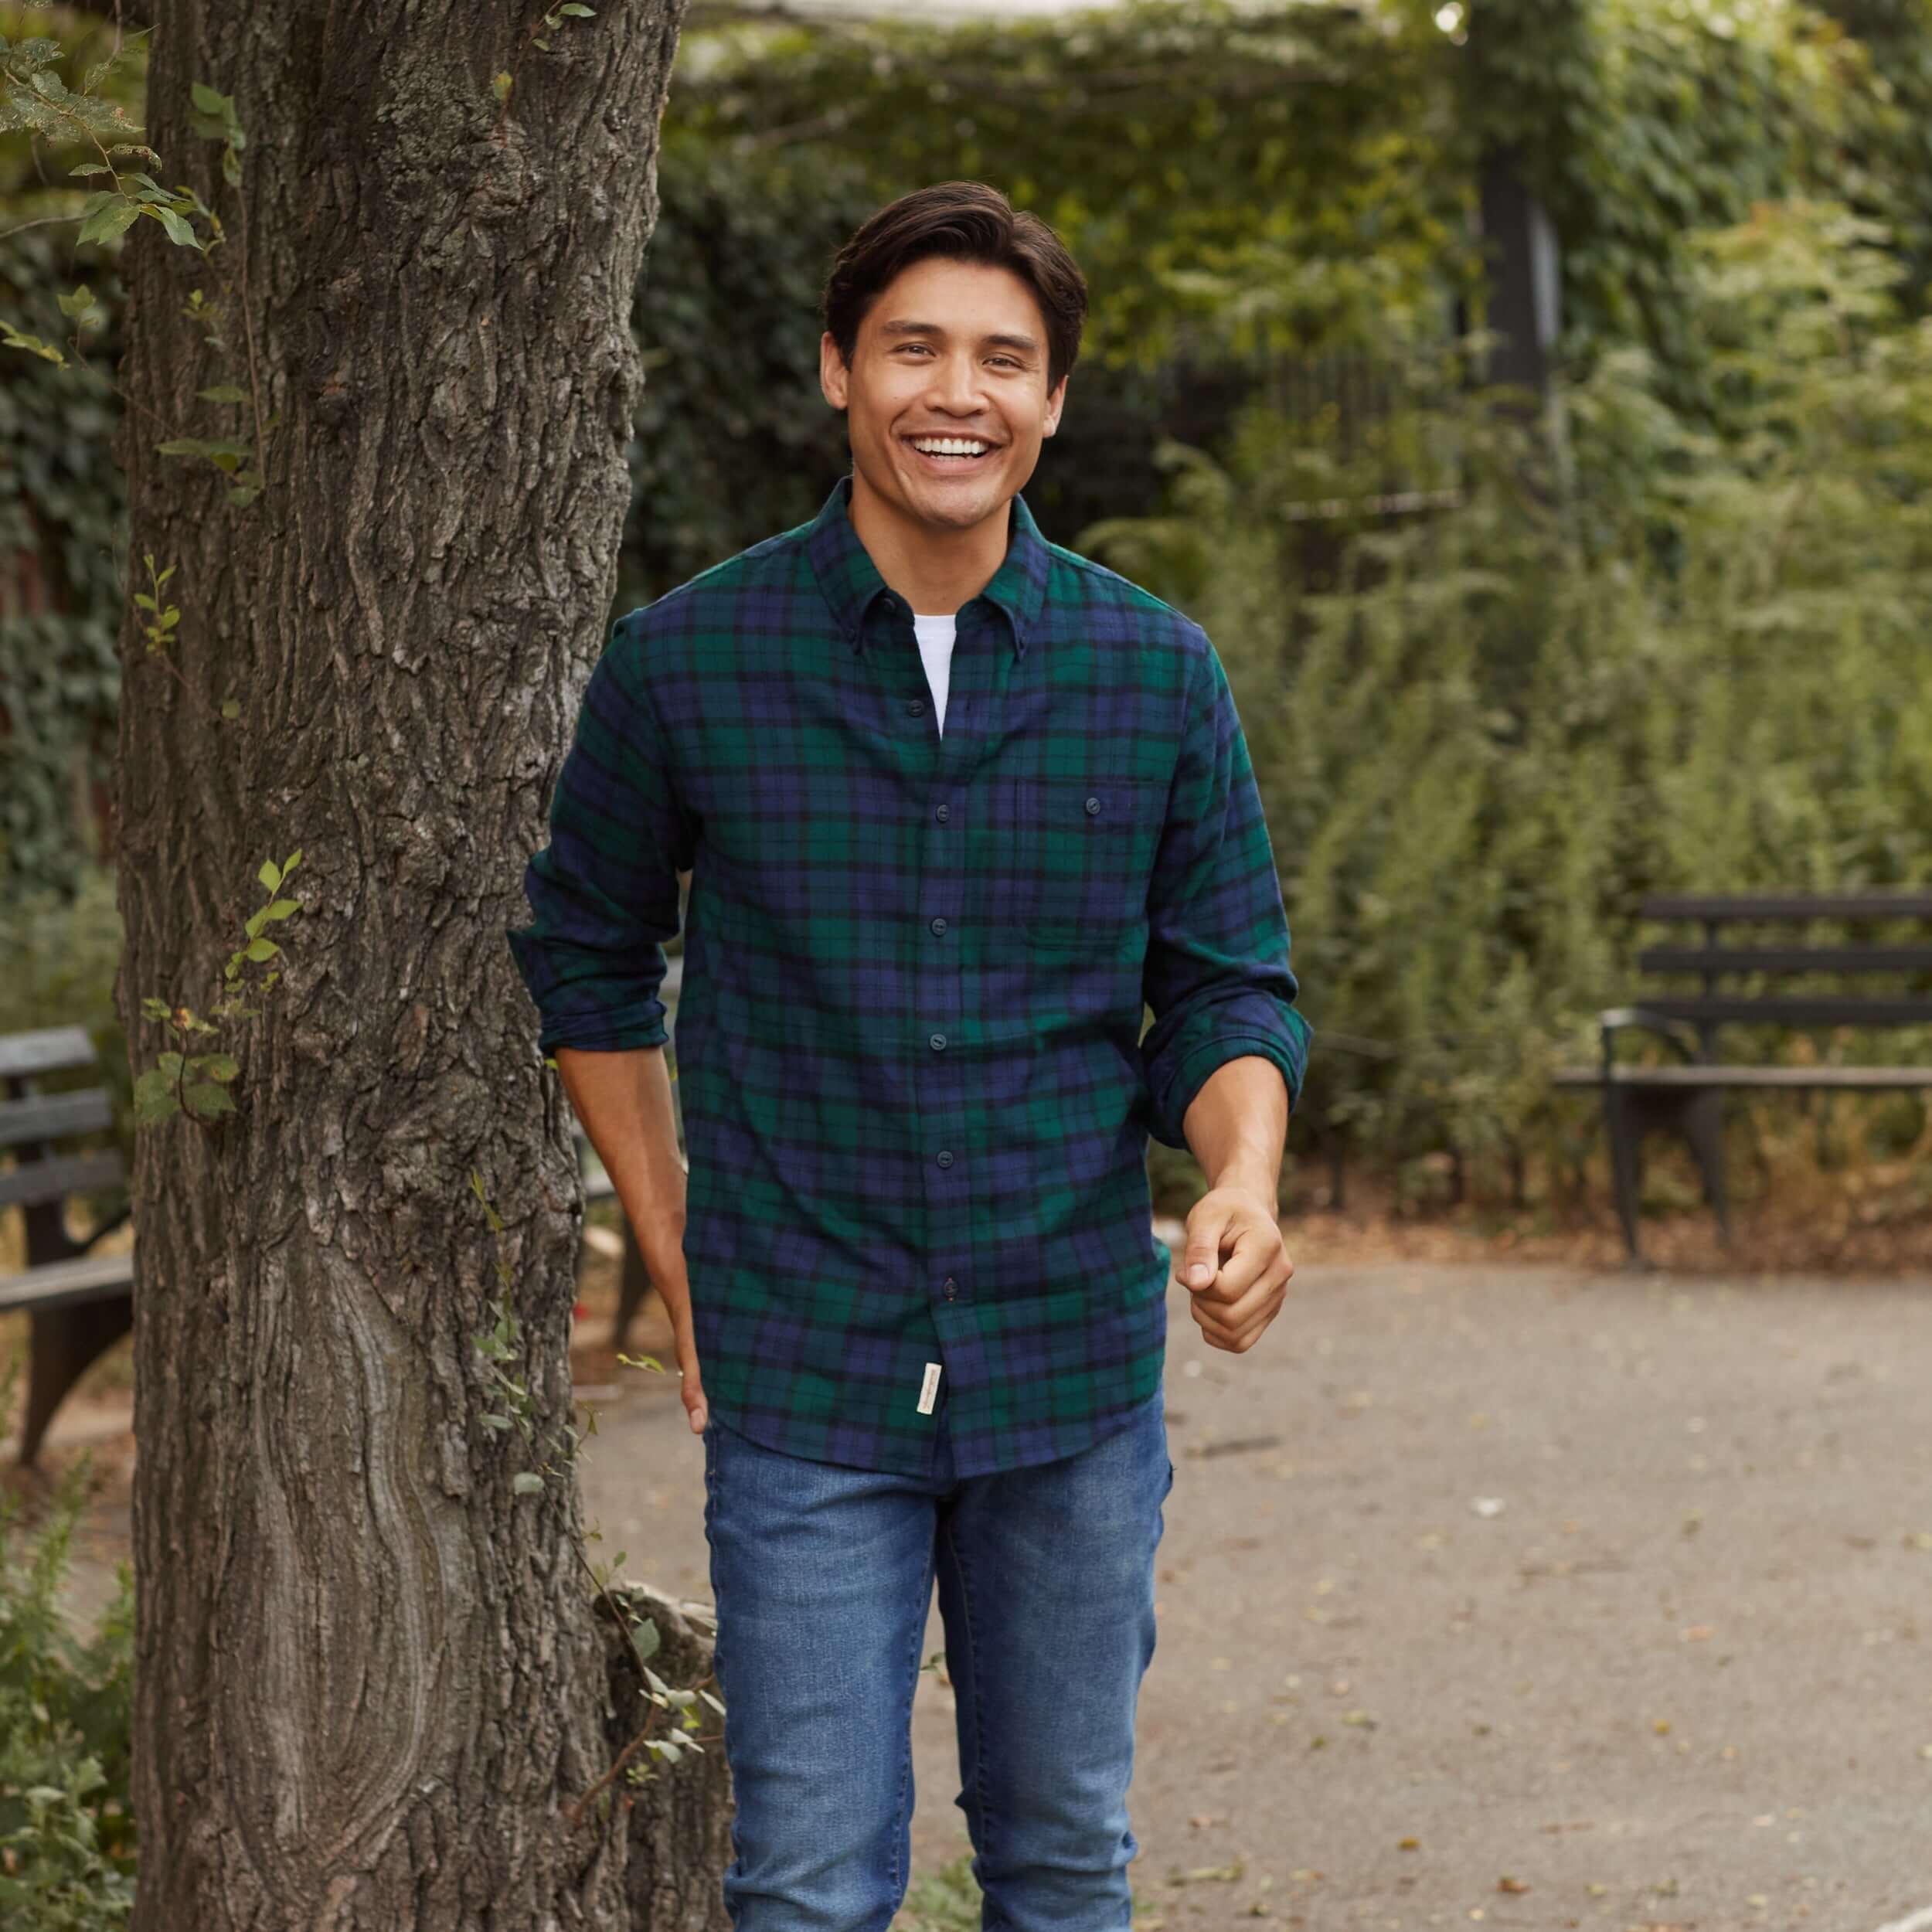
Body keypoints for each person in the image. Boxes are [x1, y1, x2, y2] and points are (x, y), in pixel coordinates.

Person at [507, 179, 1311, 1932]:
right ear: (837, 370)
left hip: (1068, 1371)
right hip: (804, 1372)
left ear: (1053, 400)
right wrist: (671, 1239)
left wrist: (1242, 1179)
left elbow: (1225, 990)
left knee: (1063, 1864)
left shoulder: (1155, 675)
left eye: (1003, 360)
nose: (958, 393)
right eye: (914, 349)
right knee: (806, 1883)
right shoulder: (686, 665)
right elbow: (585, 959)